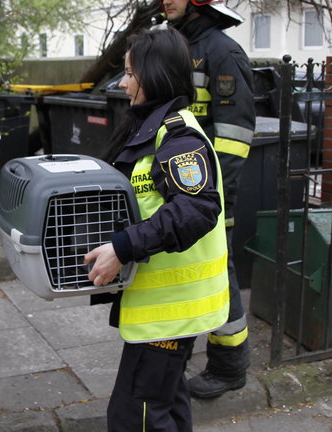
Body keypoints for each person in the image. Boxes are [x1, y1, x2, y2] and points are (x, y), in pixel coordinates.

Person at [84, 28, 230, 432]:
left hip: (173, 311)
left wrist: (124, 247)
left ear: (153, 75)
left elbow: (198, 209)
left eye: (130, 73)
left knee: (137, 417)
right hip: (168, 309)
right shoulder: (153, 127)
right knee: (165, 403)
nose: (124, 83)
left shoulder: (178, 138)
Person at [145, 0, 255, 400]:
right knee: (185, 272)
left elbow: (233, 136)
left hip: (208, 195)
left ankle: (230, 367)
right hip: (177, 188)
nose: (166, 1)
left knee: (218, 276)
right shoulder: (175, 45)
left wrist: (213, 198)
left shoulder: (222, 52)